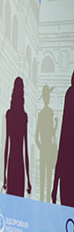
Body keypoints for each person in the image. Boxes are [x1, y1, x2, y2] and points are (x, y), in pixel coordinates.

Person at [2, 77, 31, 197]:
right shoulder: (24, 116)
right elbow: (26, 149)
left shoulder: (10, 114)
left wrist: (4, 174)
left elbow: (6, 146)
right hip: (20, 165)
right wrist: (28, 178)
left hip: (11, 162)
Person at [52, 70, 74, 207]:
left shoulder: (70, 94)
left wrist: (55, 183)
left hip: (66, 168)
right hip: (67, 167)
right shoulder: (70, 95)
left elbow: (63, 135)